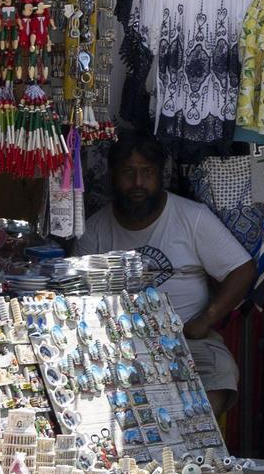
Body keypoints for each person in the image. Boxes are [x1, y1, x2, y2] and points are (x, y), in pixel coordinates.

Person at [78, 138, 253, 418]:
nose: (138, 183)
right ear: (112, 175)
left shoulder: (192, 217)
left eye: (147, 172)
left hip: (187, 339)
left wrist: (206, 319)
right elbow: (78, 294)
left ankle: (196, 439)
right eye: (128, 172)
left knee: (220, 371)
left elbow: (242, 269)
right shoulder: (94, 230)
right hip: (118, 345)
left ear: (161, 176)